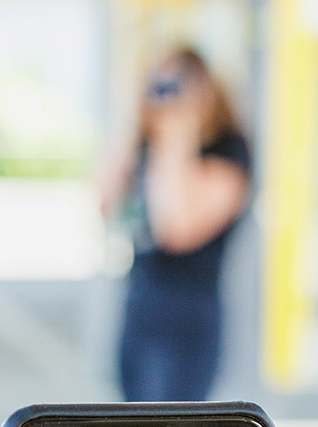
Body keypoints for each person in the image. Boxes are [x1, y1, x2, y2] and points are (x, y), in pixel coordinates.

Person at [101, 48, 252, 402]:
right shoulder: (145, 145)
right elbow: (104, 203)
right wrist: (134, 124)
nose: (167, 95)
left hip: (188, 319)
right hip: (140, 305)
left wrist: (178, 139)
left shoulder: (227, 150)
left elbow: (178, 228)